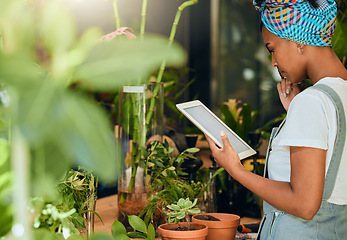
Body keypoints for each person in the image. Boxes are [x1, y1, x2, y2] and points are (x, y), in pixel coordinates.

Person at [205, 0, 347, 239]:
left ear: (299, 41)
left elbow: (304, 204)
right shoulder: (335, 95)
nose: (273, 62)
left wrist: (235, 169)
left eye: (272, 49)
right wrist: (297, 113)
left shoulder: (311, 102)